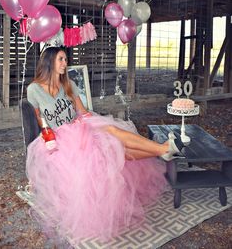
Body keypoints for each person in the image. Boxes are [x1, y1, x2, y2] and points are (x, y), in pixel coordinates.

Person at [26, 46, 185, 244]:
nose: (65, 63)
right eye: (61, 59)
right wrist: (48, 137)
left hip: (78, 127)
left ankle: (163, 149)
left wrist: (91, 122)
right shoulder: (33, 90)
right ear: (49, 61)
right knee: (114, 150)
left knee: (112, 134)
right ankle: (163, 150)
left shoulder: (69, 84)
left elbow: (83, 112)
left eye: (66, 59)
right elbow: (40, 118)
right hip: (59, 138)